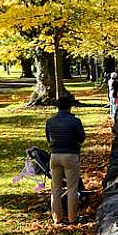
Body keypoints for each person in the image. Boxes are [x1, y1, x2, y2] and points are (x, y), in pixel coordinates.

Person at [45, 96, 86, 225]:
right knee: (72, 188)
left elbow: (48, 138)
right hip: (70, 155)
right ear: (70, 106)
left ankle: (57, 218)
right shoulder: (75, 121)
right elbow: (81, 138)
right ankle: (72, 217)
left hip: (54, 156)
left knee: (55, 188)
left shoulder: (50, 121)